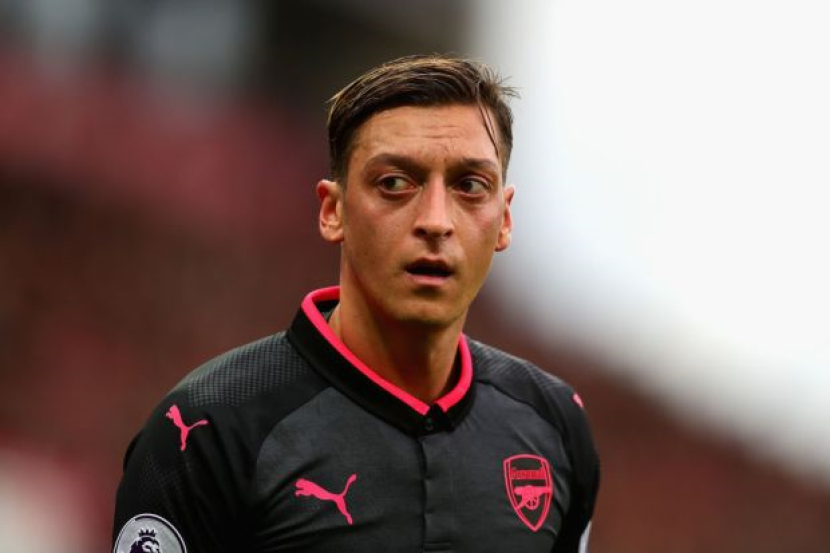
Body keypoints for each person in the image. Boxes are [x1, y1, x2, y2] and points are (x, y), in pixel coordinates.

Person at [112, 54, 600, 553]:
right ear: (333, 211)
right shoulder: (207, 431)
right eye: (394, 183)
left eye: (470, 186)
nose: (436, 221)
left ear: (505, 220)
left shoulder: (556, 426)